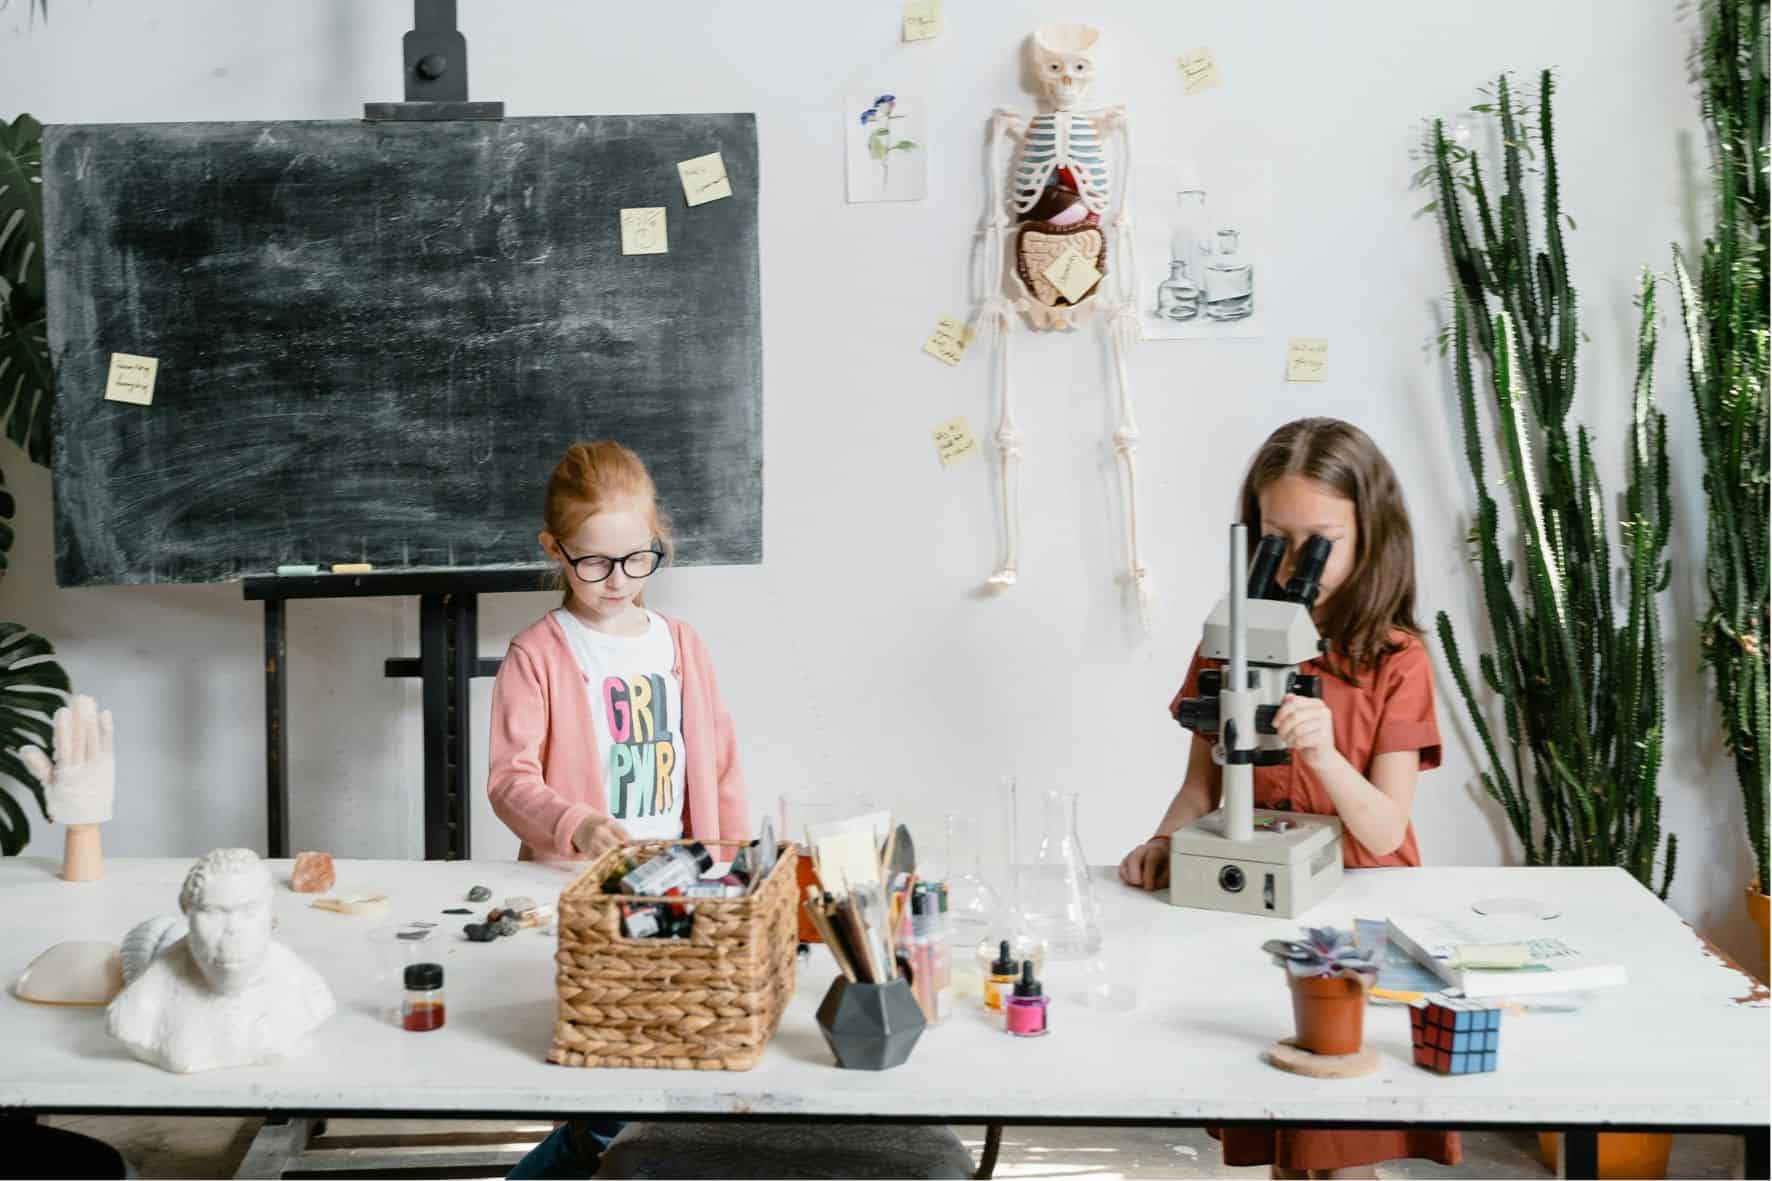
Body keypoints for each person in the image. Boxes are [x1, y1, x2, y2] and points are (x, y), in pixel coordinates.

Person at [1119, 417, 1458, 1181]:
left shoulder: (1397, 659)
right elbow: (1201, 785)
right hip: (1265, 908)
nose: (1299, 561)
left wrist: (1326, 753)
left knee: (1338, 1145)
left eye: (1322, 540)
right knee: (1285, 1130)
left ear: (1371, 531)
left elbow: (1384, 825)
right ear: (1254, 536)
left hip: (1359, 912)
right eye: (1278, 537)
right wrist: (1163, 844)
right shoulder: (1230, 638)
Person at [491, 441, 749, 1178]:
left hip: (678, 883)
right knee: (607, 1062)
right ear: (554, 548)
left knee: (662, 1051)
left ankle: (595, 1152)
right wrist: (576, 822)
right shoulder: (538, 652)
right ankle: (573, 1158)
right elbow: (509, 780)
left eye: (638, 559)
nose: (617, 580)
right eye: (594, 562)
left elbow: (720, 768)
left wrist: (733, 872)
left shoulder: (681, 644)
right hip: (581, 893)